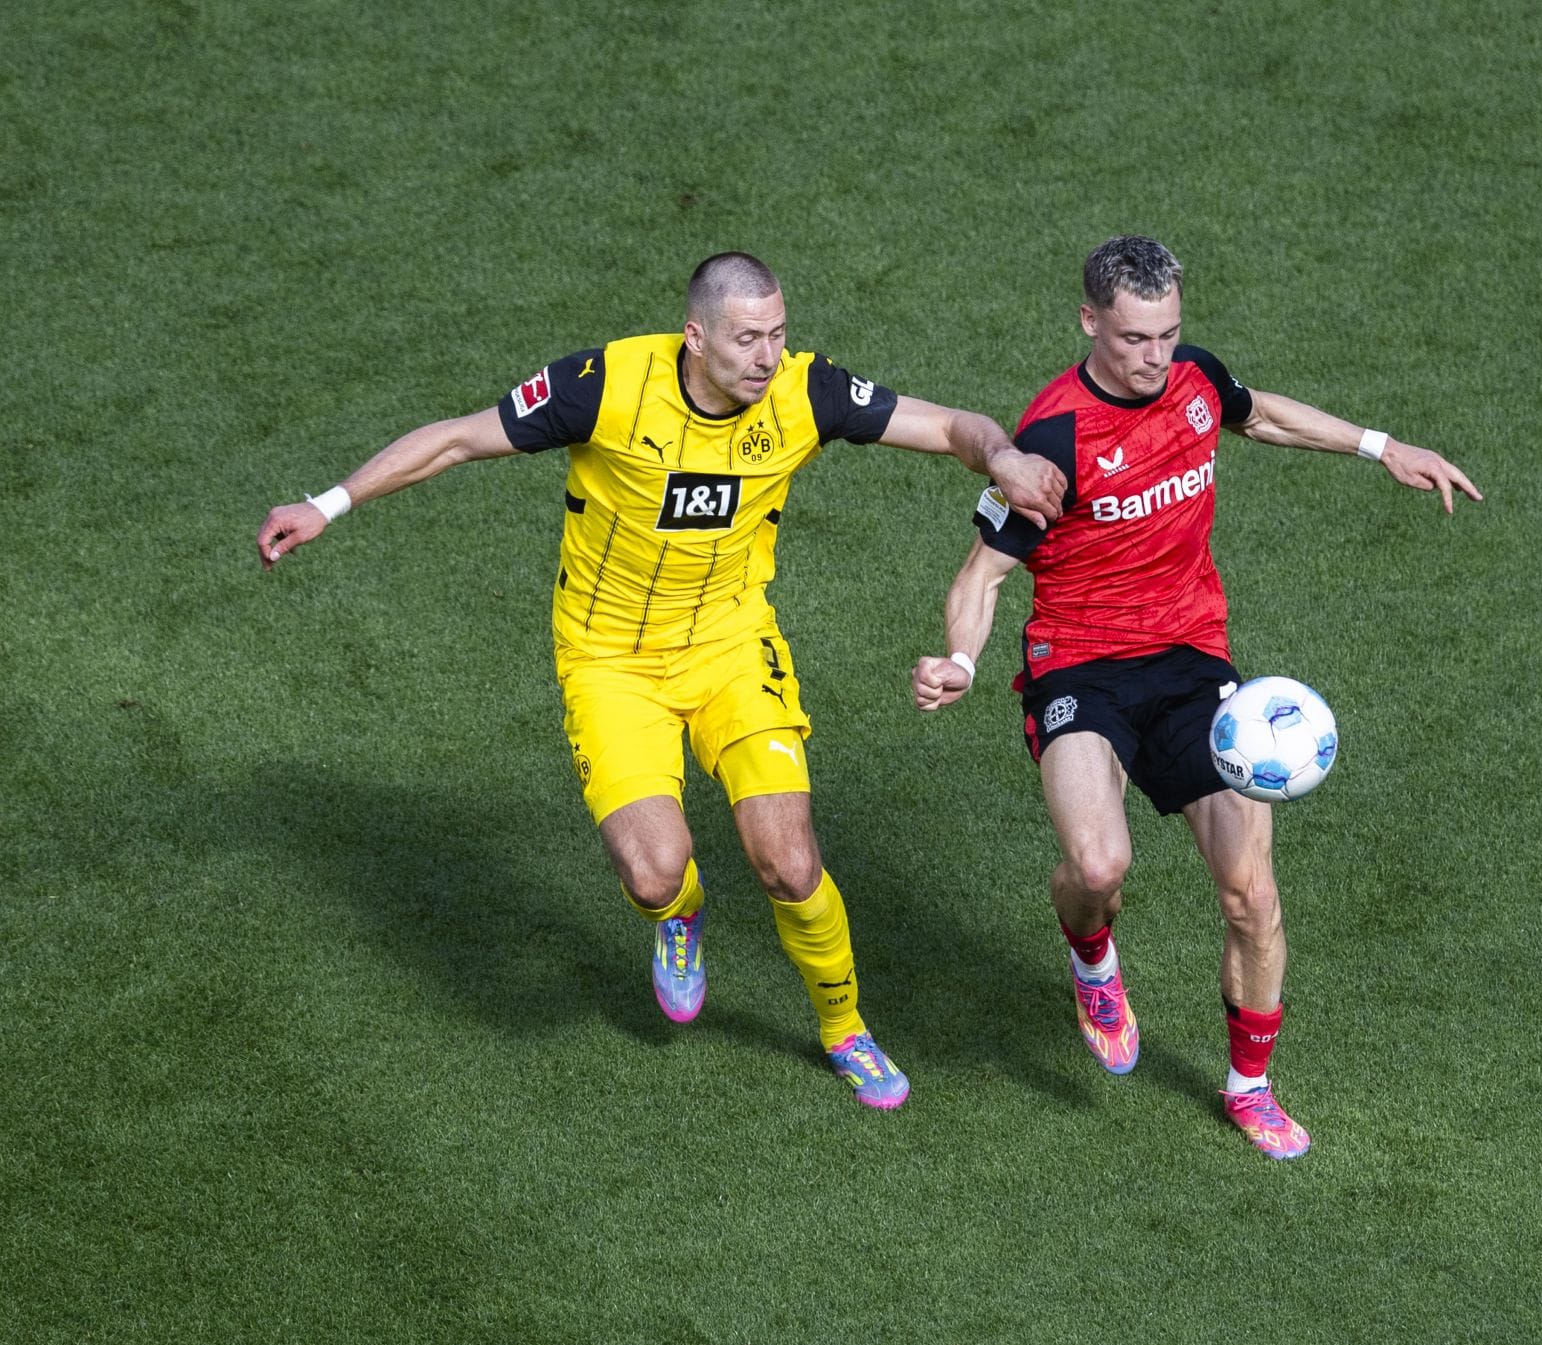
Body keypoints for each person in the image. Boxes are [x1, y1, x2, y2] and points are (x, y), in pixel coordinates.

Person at [257, 251, 1065, 1110]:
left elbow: (948, 426)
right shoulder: (605, 386)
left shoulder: (804, 392)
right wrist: (328, 503)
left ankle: (845, 1027)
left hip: (729, 646)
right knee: (652, 872)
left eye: (778, 334)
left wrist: (1004, 458)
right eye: (747, 338)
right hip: (610, 662)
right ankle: (679, 916)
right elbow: (458, 437)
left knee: (790, 863)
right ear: (694, 336)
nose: (767, 356)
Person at [911, 236, 1479, 1157]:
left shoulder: (1193, 382)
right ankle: (1091, 955)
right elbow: (982, 577)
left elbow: (1263, 417)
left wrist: (1383, 447)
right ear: (1090, 320)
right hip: (1081, 667)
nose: (1155, 357)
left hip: (1189, 663)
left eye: (1169, 333)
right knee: (1098, 867)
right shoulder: (1051, 437)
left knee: (1253, 894)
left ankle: (1249, 1086)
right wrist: (963, 664)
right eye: (1135, 338)